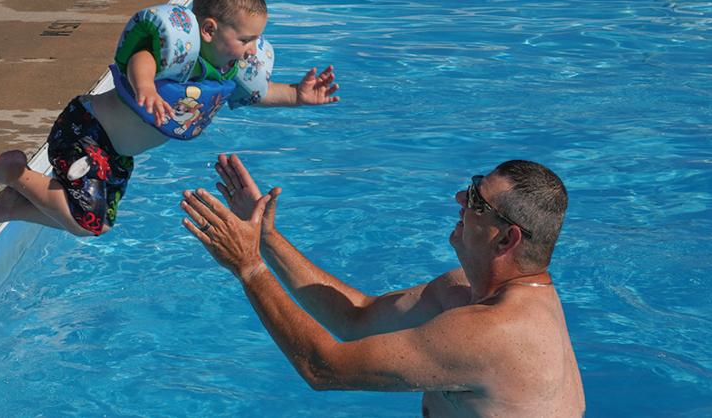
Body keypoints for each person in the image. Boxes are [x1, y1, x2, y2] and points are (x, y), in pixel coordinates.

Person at [179, 154, 585, 417]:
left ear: (507, 239)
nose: (460, 197)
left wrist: (249, 268)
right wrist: (266, 239)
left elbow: (323, 369)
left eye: (478, 202)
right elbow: (356, 318)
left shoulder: (493, 333)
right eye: (473, 185)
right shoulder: (463, 293)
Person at [0, 0, 339, 236]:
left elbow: (258, 93)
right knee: (86, 222)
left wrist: (296, 95)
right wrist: (146, 87)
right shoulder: (182, 53)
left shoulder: (227, 69)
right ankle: (14, 172)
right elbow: (143, 57)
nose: (253, 49)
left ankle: (16, 205)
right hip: (86, 132)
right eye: (246, 38)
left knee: (98, 226)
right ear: (208, 29)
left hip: (116, 154)